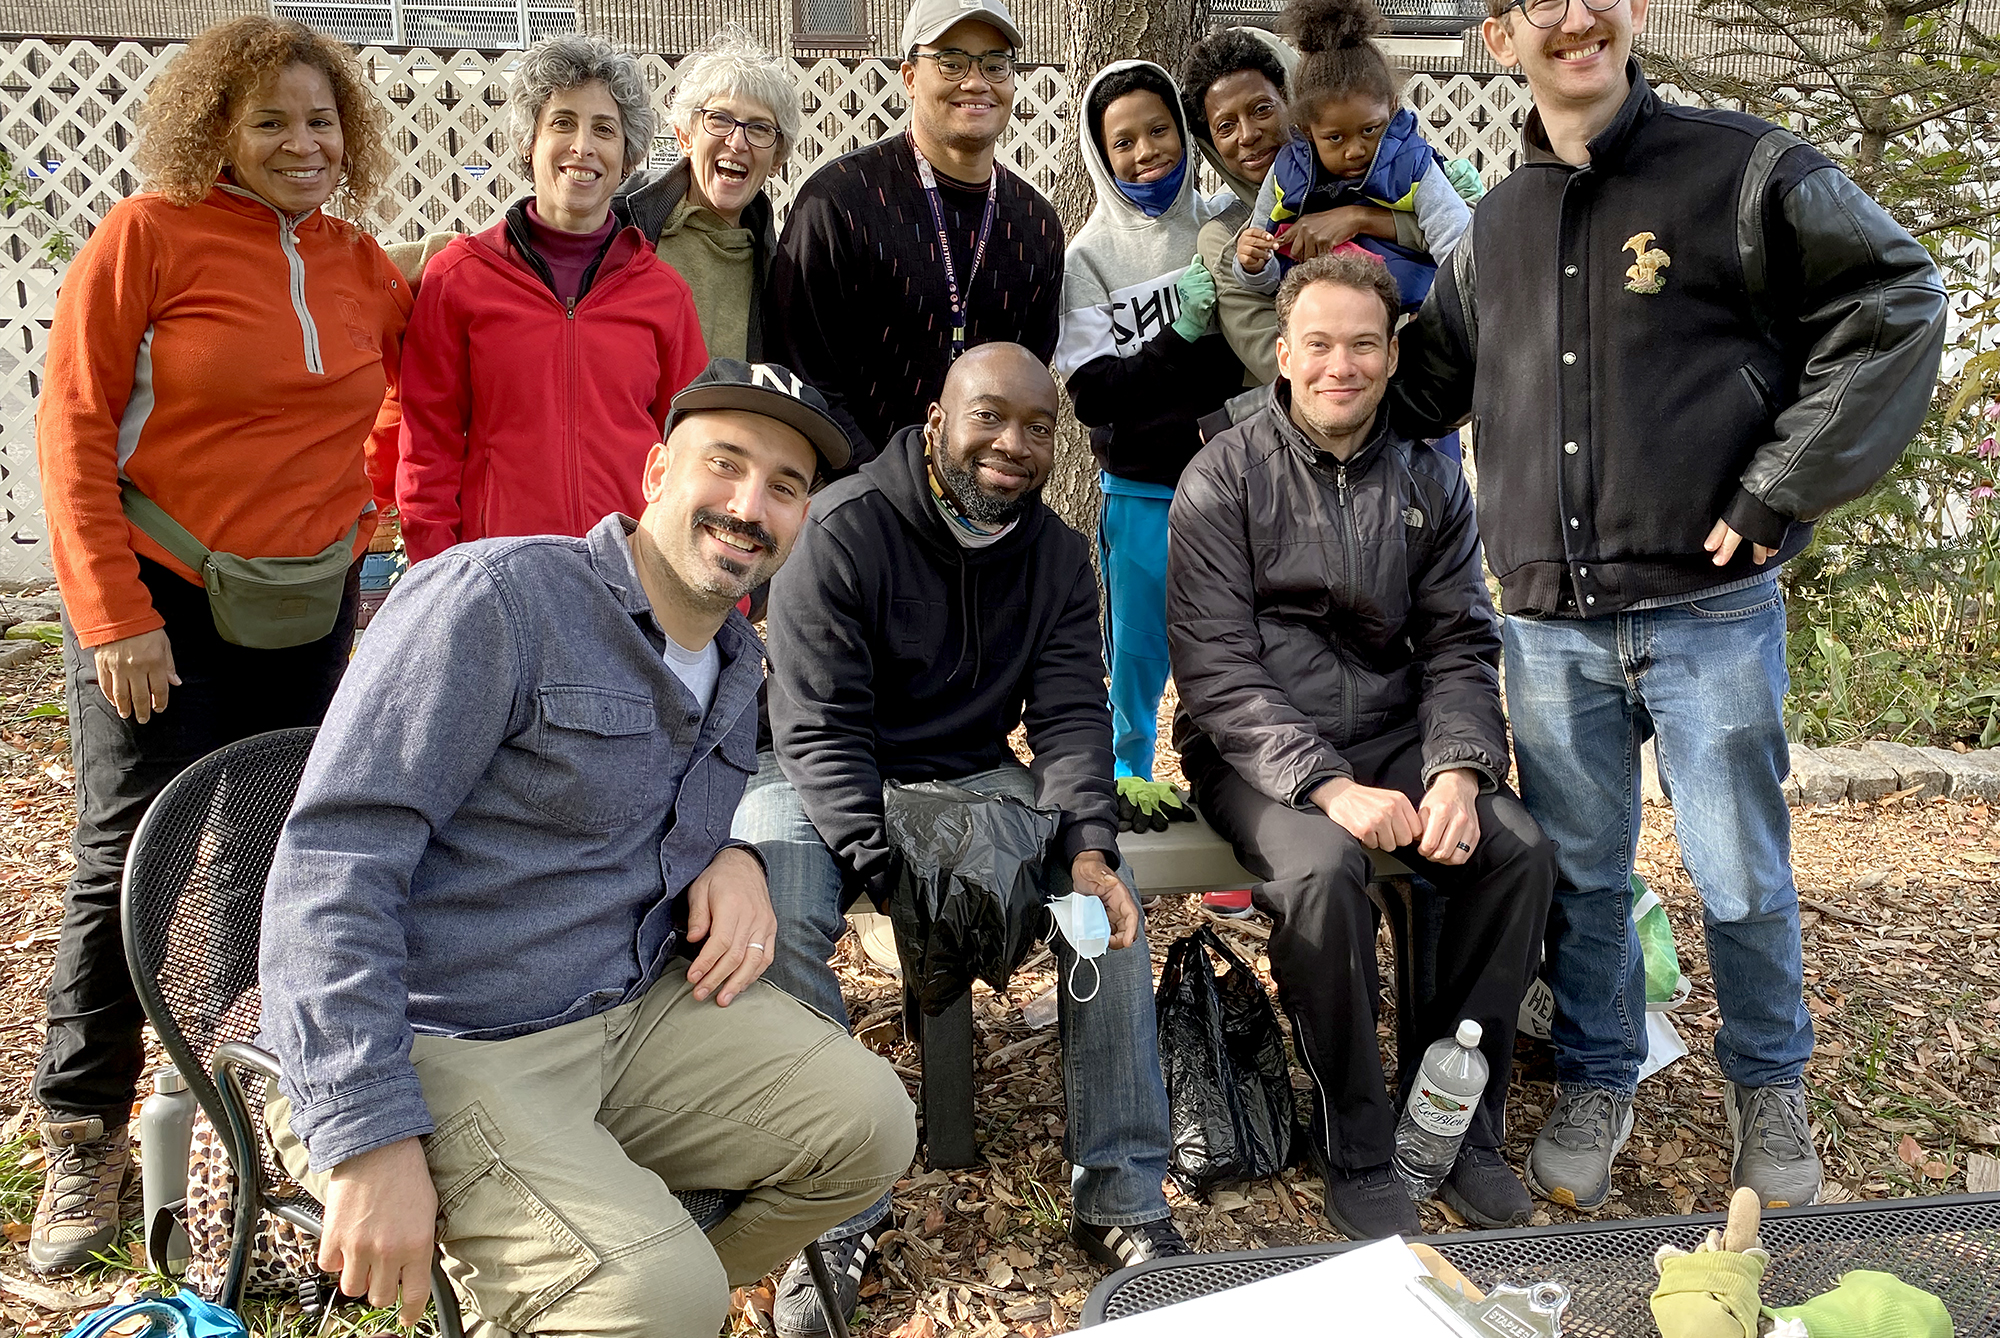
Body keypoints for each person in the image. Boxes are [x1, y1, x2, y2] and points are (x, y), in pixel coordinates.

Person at [1394, 0, 1948, 1214]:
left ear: (1635, 4)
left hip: (1708, 613)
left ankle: (1773, 1091)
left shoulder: (1745, 173)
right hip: (1546, 626)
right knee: (1585, 879)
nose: (1574, 17)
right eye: (1543, 2)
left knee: (1742, 870)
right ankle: (1599, 1075)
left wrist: (1780, 488)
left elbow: (1896, 299)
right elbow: (1415, 395)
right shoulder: (1494, 234)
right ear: (1499, 37)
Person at [259, 359, 917, 1338]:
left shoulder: (736, 668)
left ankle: (590, 1299)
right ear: (655, 472)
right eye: (724, 464)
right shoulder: (497, 602)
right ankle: (612, 1299)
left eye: (785, 486)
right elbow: (332, 865)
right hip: (444, 1037)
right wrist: (366, 1136)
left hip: (618, 1019)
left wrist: (726, 856)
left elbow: (625, 812)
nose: (749, 505)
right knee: (657, 1300)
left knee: (869, 1126)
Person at [27, 15, 410, 1275]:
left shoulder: (362, 265)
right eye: (270, 122)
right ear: (216, 131)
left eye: (319, 121)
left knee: (268, 852)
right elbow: (74, 431)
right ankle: (80, 1123)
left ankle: (224, 1090)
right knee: (125, 857)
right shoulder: (148, 239)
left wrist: (377, 519)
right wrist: (114, 618)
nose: (302, 143)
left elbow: (412, 398)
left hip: (305, 607)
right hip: (166, 602)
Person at [737, 342, 1185, 1336]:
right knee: (772, 895)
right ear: (937, 423)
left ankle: (1121, 1195)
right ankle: (835, 1198)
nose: (1011, 446)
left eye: (1036, 428)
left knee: (1102, 918)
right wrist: (887, 874)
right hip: (819, 770)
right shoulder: (842, 528)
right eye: (988, 417)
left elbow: (1071, 718)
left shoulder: (1060, 556)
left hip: (971, 769)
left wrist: (1083, 854)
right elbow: (815, 727)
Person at [1168, 251, 1555, 1240]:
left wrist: (1459, 771)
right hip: (1253, 753)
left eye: (1361, 345)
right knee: (1322, 868)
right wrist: (1328, 788)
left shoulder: (1429, 473)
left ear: (1389, 356)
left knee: (1511, 851)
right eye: (1318, 345)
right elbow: (1216, 671)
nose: (1339, 364)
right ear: (1283, 356)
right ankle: (1356, 1128)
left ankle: (1456, 1118)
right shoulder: (1222, 474)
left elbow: (1460, 641)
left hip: (1396, 735)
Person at [396, 33, 707, 562]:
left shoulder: (663, 293)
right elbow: (428, 445)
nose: (583, 147)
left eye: (604, 130)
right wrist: (435, 572)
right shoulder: (460, 278)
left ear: (627, 153)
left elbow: (691, 448)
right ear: (529, 141)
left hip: (626, 569)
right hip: (500, 568)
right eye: (562, 122)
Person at [1052, 59, 1246, 807]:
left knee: (1235, 652)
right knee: (1135, 655)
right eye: (1123, 141)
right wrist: (1180, 334)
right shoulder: (1087, 260)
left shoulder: (1225, 228)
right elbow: (1098, 397)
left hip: (1236, 490)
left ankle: (1232, 800)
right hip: (1140, 493)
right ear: (1101, 154)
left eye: (1158, 129)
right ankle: (1125, 792)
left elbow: (1245, 364)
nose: (1146, 152)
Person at [764, 0, 1064, 463]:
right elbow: (803, 375)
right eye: (951, 61)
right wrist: (882, 491)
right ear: (909, 76)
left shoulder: (1036, 224)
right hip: (857, 506)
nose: (976, 81)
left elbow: (1024, 386)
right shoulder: (838, 202)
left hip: (985, 507)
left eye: (994, 63)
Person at [1232, 0, 1474, 320]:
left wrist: (1447, 317)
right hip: (1324, 329)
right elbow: (1266, 266)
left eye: (1370, 130)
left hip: (1409, 320)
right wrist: (1252, 264)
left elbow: (1459, 245)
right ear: (1306, 130)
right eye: (1335, 138)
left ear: (1391, 108)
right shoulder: (1287, 175)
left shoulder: (1412, 165)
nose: (1355, 150)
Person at [621, 25, 801, 360]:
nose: (737, 142)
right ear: (685, 136)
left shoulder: (782, 272)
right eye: (719, 119)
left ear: (777, 159)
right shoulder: (622, 222)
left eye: (759, 128)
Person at [1178, 26, 1300, 390]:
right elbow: (1274, 363)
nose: (1247, 135)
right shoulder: (1225, 240)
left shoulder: (1367, 179)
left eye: (1261, 109)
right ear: (1211, 144)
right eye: (1225, 126)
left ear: (1292, 99)